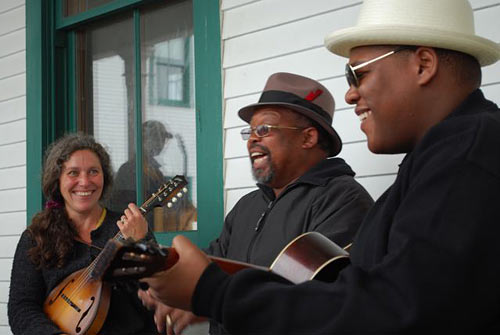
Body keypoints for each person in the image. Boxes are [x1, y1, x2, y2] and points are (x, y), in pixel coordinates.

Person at [138, 0, 500, 333]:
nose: (349, 94)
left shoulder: (468, 152)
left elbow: (394, 311)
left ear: (423, 65)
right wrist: (196, 287)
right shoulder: (439, 160)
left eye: (357, 74)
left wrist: (215, 292)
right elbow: (352, 293)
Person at [141, 72, 374, 334]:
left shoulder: (344, 200)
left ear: (308, 138)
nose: (252, 138)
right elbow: (210, 265)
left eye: (264, 129)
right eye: (249, 131)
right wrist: (172, 285)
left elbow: (315, 303)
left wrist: (209, 295)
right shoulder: (246, 206)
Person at [8, 133, 158, 334]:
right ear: (57, 179)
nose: (85, 182)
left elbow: (161, 293)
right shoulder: (36, 238)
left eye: (93, 171)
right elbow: (22, 308)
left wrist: (144, 242)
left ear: (104, 177)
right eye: (73, 173)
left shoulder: (128, 227)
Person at [108, 120, 197, 232]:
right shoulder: (129, 170)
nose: (161, 144)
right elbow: (129, 207)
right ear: (144, 141)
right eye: (157, 139)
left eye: (163, 140)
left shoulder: (154, 170)